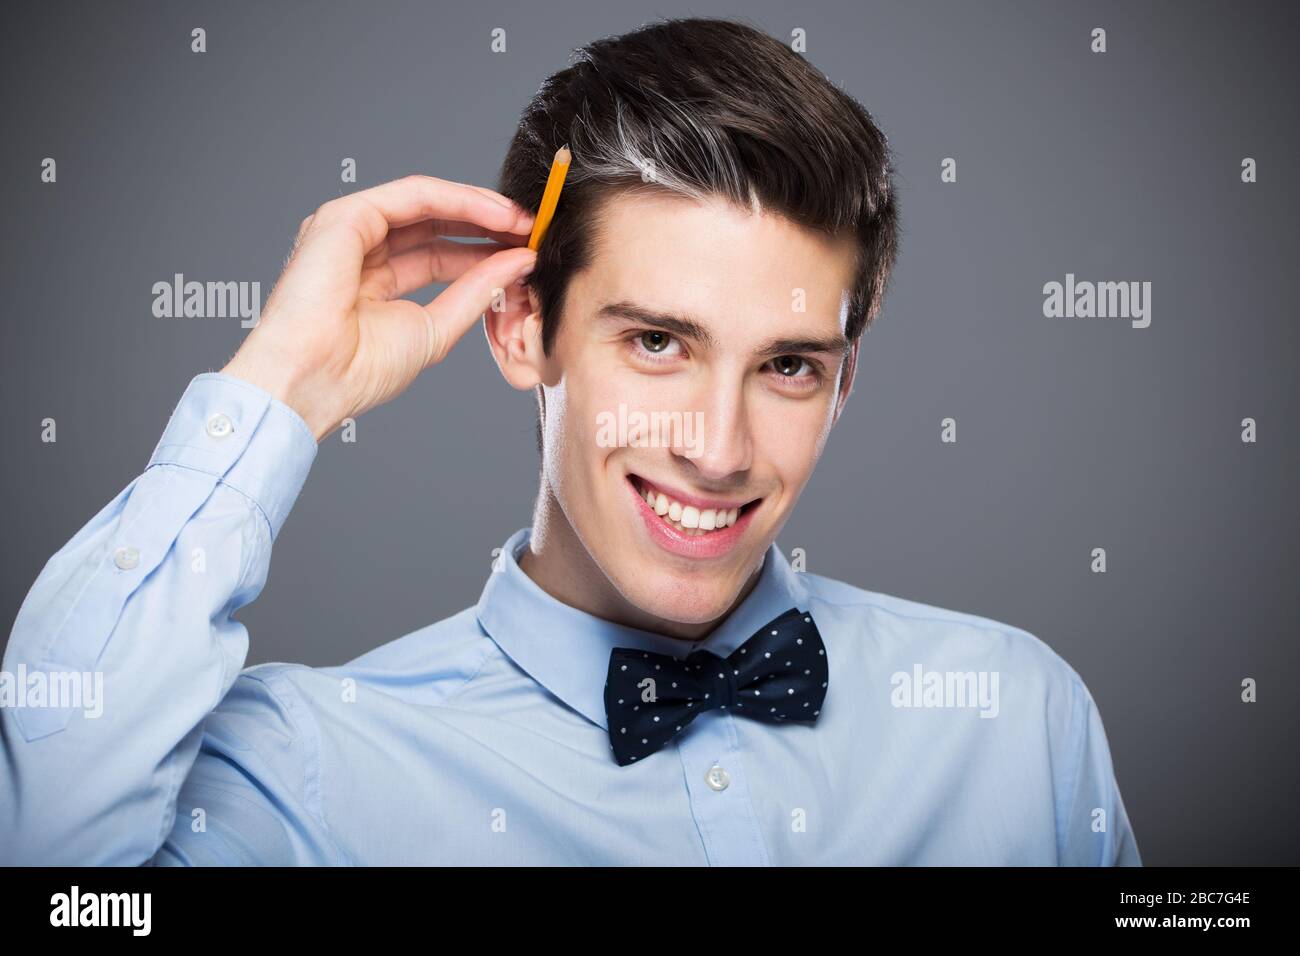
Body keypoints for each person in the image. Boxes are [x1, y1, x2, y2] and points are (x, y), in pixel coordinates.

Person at [0, 17, 1140, 865]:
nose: (716, 445)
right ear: (521, 327)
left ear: (843, 383)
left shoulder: (1016, 717)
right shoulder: (308, 771)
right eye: (656, 342)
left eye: (788, 365)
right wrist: (279, 389)